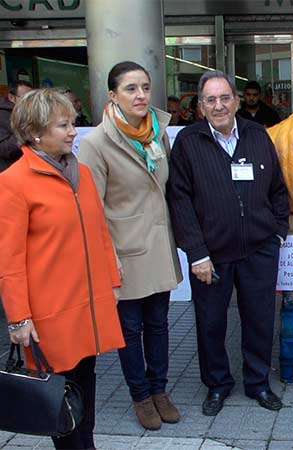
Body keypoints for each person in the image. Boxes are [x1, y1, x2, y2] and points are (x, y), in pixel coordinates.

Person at [0, 88, 125, 450]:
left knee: (86, 381)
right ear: (35, 132)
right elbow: (8, 260)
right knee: (58, 397)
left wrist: (112, 281)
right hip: (50, 312)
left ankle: (88, 445)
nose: (72, 131)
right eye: (63, 125)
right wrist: (18, 318)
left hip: (88, 305)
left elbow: (99, 231)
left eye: (72, 123)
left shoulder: (79, 171)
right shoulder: (12, 183)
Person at [166, 70, 290, 417]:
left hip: (259, 248)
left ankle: (258, 383)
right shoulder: (188, 142)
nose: (219, 106)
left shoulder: (257, 135)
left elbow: (278, 189)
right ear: (201, 107)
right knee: (210, 322)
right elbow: (180, 201)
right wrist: (196, 253)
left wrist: (278, 233)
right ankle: (217, 384)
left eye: (225, 98)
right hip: (212, 255)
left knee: (260, 319)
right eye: (211, 100)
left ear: (236, 101)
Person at [77, 61, 184, 431]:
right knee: (130, 329)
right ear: (113, 95)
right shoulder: (95, 144)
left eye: (145, 87)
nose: (140, 96)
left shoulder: (159, 132)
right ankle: (140, 396)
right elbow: (91, 210)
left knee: (159, 325)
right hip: (123, 251)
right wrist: (107, 260)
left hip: (158, 245)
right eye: (130, 89)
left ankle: (160, 390)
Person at [0, 80, 34, 172]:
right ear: (11, 97)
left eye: (32, 98)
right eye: (26, 98)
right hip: (14, 174)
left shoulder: (34, 113)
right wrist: (26, 132)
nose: (30, 102)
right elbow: (2, 150)